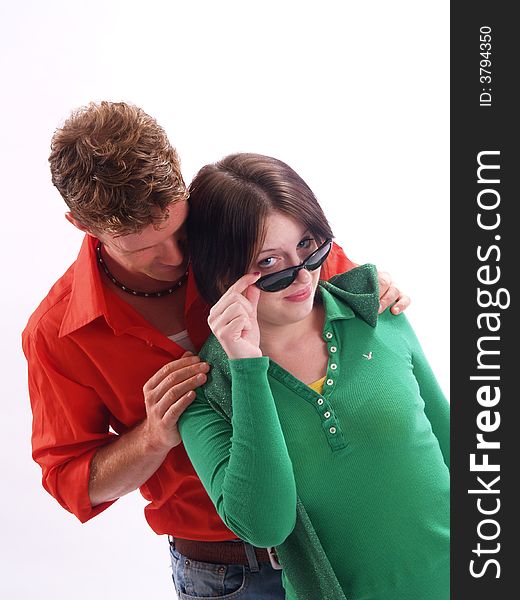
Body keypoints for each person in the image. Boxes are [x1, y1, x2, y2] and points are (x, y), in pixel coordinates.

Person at [22, 101, 412, 600]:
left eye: (179, 229)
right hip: (229, 573)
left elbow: (328, 283)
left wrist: (378, 291)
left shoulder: (237, 221)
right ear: (80, 223)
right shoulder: (56, 334)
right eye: (143, 247)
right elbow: (72, 481)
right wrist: (152, 438)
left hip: (352, 533)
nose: (177, 256)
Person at [179, 153, 450, 600]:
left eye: (308, 245)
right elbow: (266, 524)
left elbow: (453, 444)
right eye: (270, 264)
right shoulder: (207, 395)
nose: (303, 275)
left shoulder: (377, 312)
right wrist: (247, 368)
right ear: (223, 274)